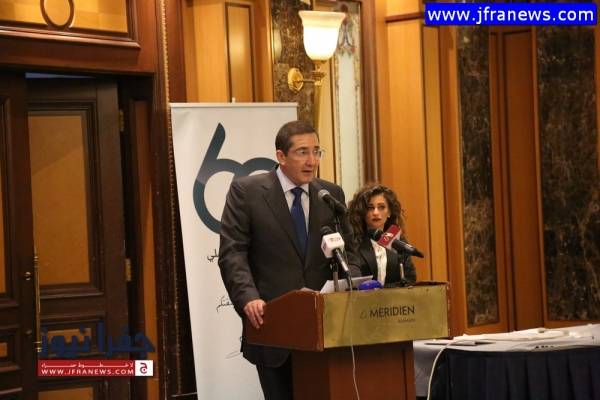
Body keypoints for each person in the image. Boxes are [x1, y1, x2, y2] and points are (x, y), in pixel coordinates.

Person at [218, 120, 359, 400]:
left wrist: (349, 282)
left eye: (317, 151)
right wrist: (248, 298)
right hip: (273, 325)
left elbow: (351, 253)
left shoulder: (330, 195)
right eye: (302, 152)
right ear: (281, 156)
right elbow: (233, 252)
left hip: (326, 329)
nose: (312, 161)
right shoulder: (247, 192)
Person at [347, 183, 417, 286]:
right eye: (370, 208)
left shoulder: (396, 239)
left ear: (389, 212)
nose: (376, 212)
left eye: (381, 207)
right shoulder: (354, 241)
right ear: (362, 212)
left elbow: (410, 279)